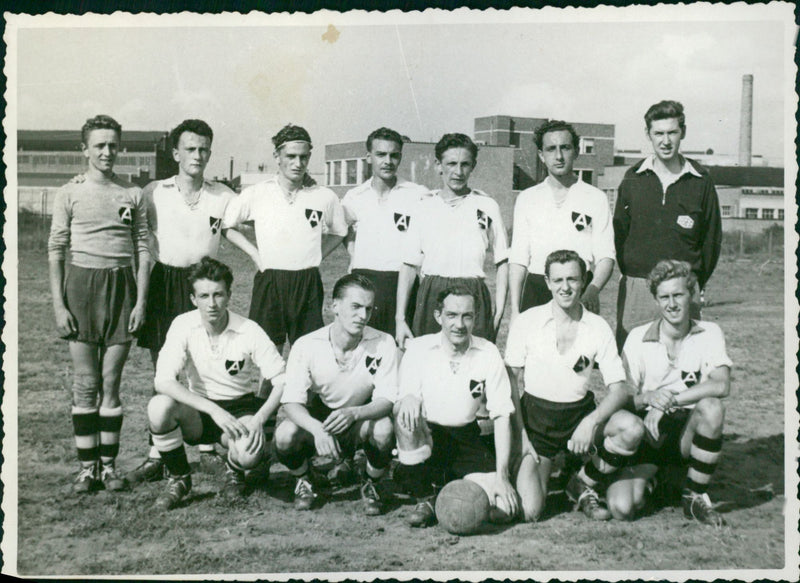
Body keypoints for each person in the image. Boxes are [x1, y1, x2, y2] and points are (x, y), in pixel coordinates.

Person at [125, 119, 262, 484]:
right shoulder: (154, 190)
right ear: (175, 153)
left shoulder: (223, 195)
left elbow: (258, 212)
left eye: (203, 149)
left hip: (205, 282)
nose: (197, 156)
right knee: (164, 366)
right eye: (190, 149)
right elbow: (121, 206)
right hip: (165, 280)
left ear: (210, 153)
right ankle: (159, 452)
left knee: (205, 361)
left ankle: (206, 447)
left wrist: (257, 255)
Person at [48, 114, 150, 493]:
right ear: (85, 150)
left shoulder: (132, 193)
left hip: (121, 287)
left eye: (112, 145)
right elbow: (56, 249)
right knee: (85, 383)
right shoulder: (69, 192)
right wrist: (59, 305)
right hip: (82, 285)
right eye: (99, 145)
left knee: (111, 383)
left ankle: (108, 468)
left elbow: (143, 247)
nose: (107, 152)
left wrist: (140, 301)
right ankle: (85, 468)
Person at [505, 250, 644, 521]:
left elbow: (620, 388)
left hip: (578, 417)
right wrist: (521, 435)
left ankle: (582, 481)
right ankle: (542, 472)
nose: (565, 287)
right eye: (558, 280)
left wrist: (591, 421)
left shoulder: (598, 327)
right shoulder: (527, 322)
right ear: (547, 282)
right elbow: (510, 380)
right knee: (530, 511)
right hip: (537, 422)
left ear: (584, 281)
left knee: (631, 428)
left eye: (572, 279)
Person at [148, 257, 286, 510]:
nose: (211, 304)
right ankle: (180, 478)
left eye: (218, 295)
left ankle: (233, 468)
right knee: (158, 407)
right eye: (204, 296)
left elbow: (282, 381)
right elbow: (163, 381)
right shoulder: (183, 325)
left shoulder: (249, 329)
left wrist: (259, 418)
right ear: (193, 299)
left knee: (248, 454)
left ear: (229, 295)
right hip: (200, 411)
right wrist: (212, 409)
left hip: (239, 410)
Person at [393, 286, 534, 527]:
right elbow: (404, 400)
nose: (459, 324)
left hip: (467, 439)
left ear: (475, 318)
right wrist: (407, 398)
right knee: (405, 413)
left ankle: (449, 484)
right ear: (438, 316)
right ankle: (423, 496)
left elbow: (501, 415)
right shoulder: (419, 348)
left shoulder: (488, 352)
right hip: (428, 435)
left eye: (467, 316)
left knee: (503, 510)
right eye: (452, 315)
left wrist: (502, 477)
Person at [606, 260, 731, 527]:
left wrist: (669, 399)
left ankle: (694, 496)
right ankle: (661, 478)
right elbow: (621, 397)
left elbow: (721, 385)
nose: (672, 304)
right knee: (621, 508)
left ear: (692, 295)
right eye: (664, 297)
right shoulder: (638, 337)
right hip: (649, 434)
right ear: (656, 300)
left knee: (712, 407)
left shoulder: (710, 332)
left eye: (678, 295)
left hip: (685, 431)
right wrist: (649, 398)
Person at [274, 274, 398, 514]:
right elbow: (291, 402)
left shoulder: (384, 342)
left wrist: (355, 413)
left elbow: (387, 400)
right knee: (284, 435)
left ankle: (371, 482)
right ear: (334, 307)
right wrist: (316, 428)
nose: (363, 316)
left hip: (359, 416)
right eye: (355, 307)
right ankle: (305, 478)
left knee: (383, 429)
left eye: (368, 309)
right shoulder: (307, 344)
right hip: (322, 419)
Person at [224, 123, 348, 352]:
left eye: (303, 157)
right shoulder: (257, 193)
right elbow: (227, 226)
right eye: (291, 156)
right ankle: (269, 389)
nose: (297, 163)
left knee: (309, 350)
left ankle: (304, 390)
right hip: (270, 279)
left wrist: (318, 254)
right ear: (277, 156)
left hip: (307, 281)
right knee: (269, 351)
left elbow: (339, 231)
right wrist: (254, 254)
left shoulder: (323, 196)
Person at [613, 100, 722, 348]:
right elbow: (619, 233)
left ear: (682, 132)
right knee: (634, 363)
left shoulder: (701, 180)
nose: (665, 141)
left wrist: (692, 281)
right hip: (638, 288)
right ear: (648, 135)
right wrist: (635, 273)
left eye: (672, 132)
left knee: (685, 366)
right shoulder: (633, 178)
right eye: (658, 133)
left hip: (684, 289)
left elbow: (711, 240)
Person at [395, 133, 509, 349]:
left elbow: (503, 261)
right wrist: (400, 318)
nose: (458, 172)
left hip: (473, 290)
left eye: (465, 164)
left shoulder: (487, 205)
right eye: (451, 164)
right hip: (432, 292)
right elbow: (409, 265)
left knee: (473, 363)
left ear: (473, 166)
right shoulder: (423, 207)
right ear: (439, 165)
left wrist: (499, 312)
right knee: (428, 362)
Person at [509, 120, 615, 317]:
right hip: (537, 289)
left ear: (575, 151)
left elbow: (606, 255)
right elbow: (518, 259)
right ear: (541, 155)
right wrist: (515, 310)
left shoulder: (595, 198)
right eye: (551, 149)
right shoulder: (527, 198)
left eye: (565, 148)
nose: (558, 156)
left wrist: (592, 289)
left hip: (579, 290)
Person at [341, 127, 429, 336]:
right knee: (364, 349)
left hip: (401, 282)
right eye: (381, 154)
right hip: (364, 279)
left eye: (394, 155)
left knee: (401, 349)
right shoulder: (354, 196)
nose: (388, 161)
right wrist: (353, 253)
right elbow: (341, 230)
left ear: (400, 157)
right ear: (369, 157)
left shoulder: (417, 194)